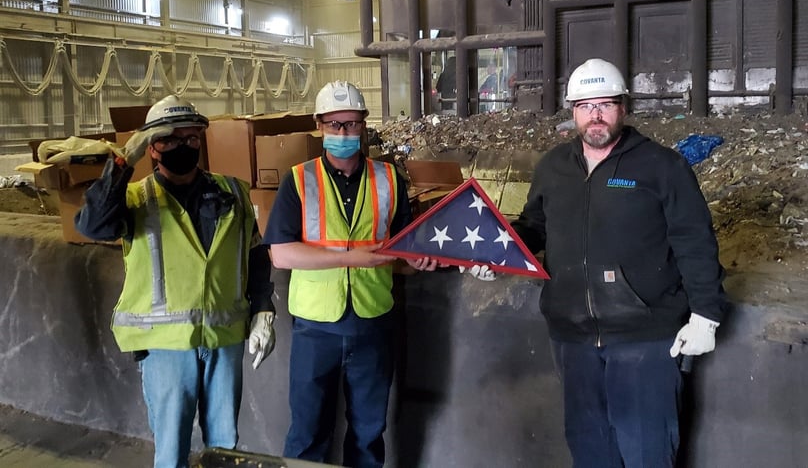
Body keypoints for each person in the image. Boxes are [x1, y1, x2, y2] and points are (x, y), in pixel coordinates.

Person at [466, 58, 729, 467]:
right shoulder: (554, 167)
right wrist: (499, 254)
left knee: (647, 451)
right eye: (586, 105)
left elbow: (693, 239)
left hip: (644, 337)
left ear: (623, 107)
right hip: (573, 337)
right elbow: (535, 226)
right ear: (572, 111)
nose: (596, 114)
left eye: (605, 104)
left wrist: (706, 314)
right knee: (590, 450)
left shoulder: (662, 167)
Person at [75, 95, 277, 468]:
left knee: (225, 448)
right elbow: (92, 225)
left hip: (223, 339)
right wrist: (122, 163)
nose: (183, 146)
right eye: (170, 139)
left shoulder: (232, 192)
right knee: (172, 452)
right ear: (152, 148)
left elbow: (254, 254)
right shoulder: (134, 199)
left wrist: (264, 307)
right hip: (165, 347)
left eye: (191, 138)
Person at [265, 81, 439, 468]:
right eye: (334, 125)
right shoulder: (299, 179)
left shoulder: (389, 179)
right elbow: (280, 253)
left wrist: (417, 262)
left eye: (352, 124)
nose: (343, 133)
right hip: (316, 327)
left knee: (367, 434)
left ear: (364, 125)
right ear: (319, 126)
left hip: (373, 324)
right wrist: (351, 258)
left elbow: (398, 255)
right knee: (308, 433)